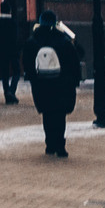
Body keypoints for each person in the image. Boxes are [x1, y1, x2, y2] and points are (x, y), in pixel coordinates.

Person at [23, 9, 82, 156]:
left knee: (47, 114)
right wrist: (74, 80)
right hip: (61, 84)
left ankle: (50, 144)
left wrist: (33, 78)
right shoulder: (63, 40)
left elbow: (27, 62)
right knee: (59, 115)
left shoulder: (33, 40)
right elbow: (74, 60)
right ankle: (60, 146)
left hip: (42, 84)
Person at [0, 7, 28, 106]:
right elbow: (18, 37)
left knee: (4, 74)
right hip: (13, 51)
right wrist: (19, 49)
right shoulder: (13, 22)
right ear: (9, 11)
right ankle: (11, 92)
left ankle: (7, 93)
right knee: (16, 72)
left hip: (1, 52)